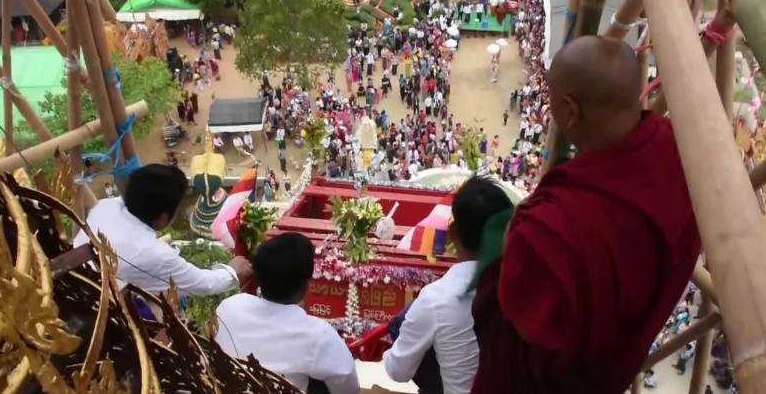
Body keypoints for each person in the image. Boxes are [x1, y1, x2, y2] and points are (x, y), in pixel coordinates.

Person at [471, 36, 701, 393]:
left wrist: (500, 255)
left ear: (570, 111)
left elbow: (519, 335)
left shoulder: (547, 227)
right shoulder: (678, 149)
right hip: (615, 362)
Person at [384, 176, 512, 394]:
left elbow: (398, 371)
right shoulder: (529, 290)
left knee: (402, 325)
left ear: (453, 234)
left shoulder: (436, 299)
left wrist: (391, 349)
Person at [73, 164, 252, 297]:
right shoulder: (156, 253)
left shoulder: (105, 206)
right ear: (163, 218)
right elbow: (203, 284)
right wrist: (232, 270)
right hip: (98, 304)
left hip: (73, 278)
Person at [215, 233, 359, 394]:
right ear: (306, 285)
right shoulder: (318, 334)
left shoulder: (229, 307)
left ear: (257, 276)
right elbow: (348, 389)